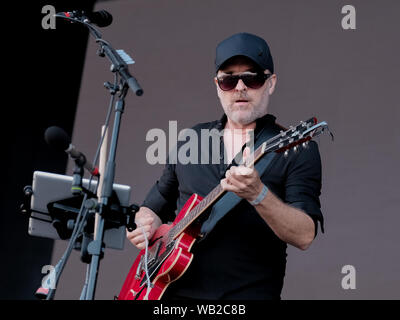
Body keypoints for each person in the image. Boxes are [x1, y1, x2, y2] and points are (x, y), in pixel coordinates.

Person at [126, 32, 324, 300]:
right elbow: (154, 205)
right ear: (217, 85)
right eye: (229, 79)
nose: (240, 87)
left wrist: (259, 195)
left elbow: (304, 236)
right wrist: (144, 224)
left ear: (271, 83)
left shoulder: (297, 149)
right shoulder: (190, 140)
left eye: (252, 78)